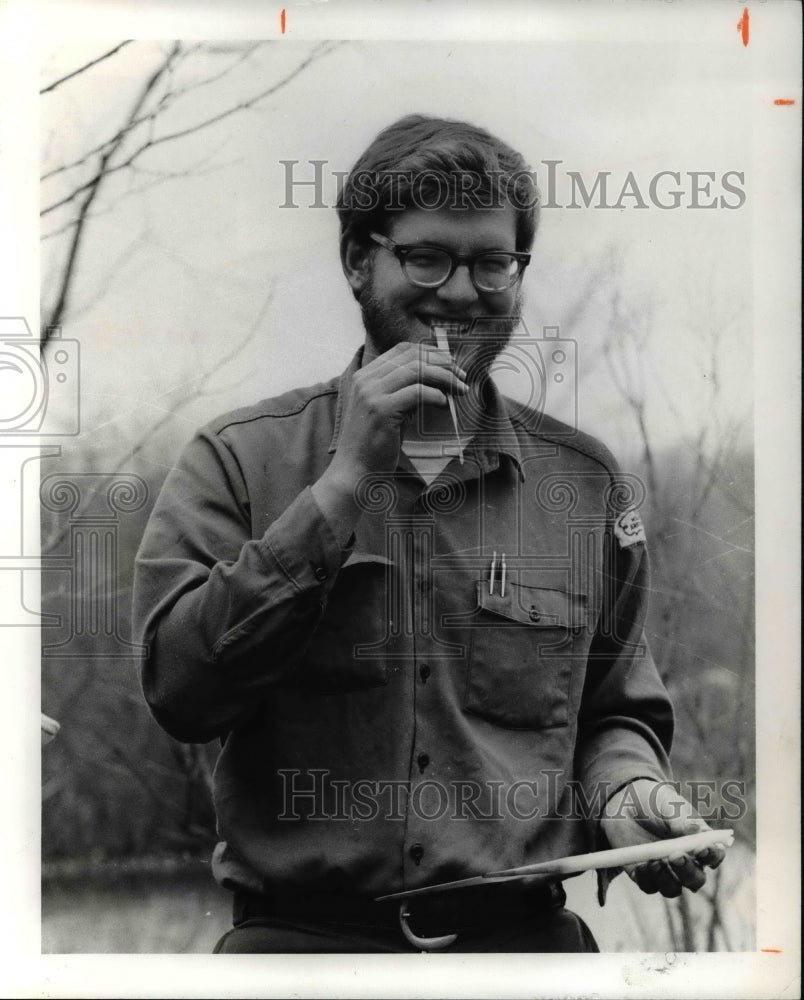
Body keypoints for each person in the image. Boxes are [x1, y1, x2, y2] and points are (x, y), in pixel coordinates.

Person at [133, 115, 725, 953]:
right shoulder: (236, 460)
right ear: (356, 262)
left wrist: (628, 791)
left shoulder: (584, 483)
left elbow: (614, 710)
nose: (460, 291)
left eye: (492, 262)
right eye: (426, 257)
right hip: (301, 954)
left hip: (525, 954)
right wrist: (340, 489)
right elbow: (179, 693)